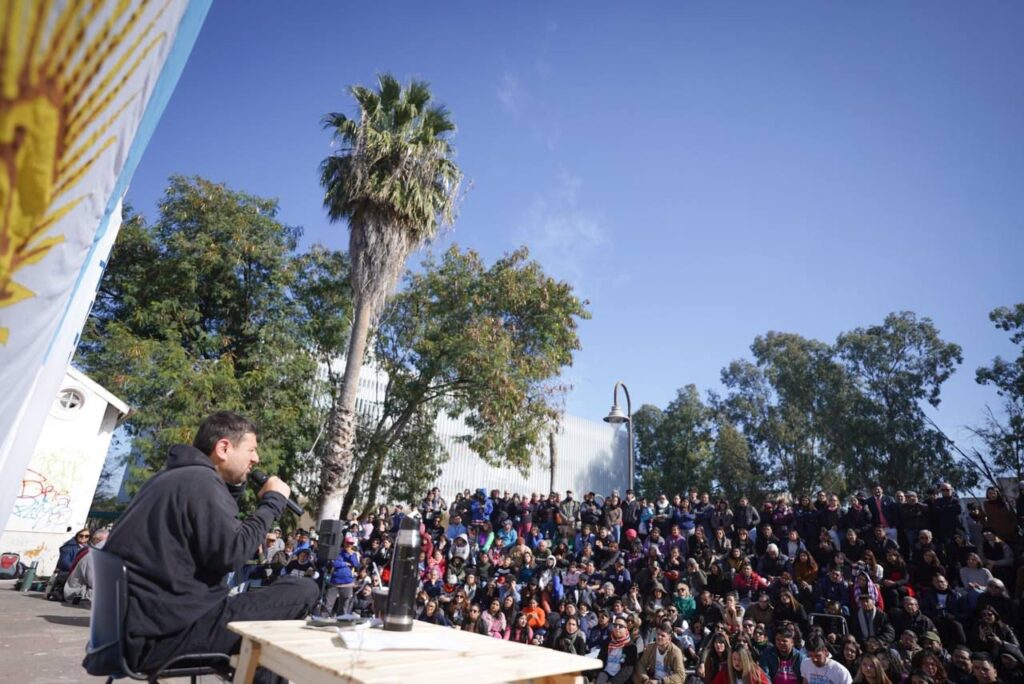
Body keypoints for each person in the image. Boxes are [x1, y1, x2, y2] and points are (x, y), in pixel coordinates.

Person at [86, 411, 318, 684]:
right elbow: (232, 554)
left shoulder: (177, 479)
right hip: (166, 636)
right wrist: (273, 502)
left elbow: (214, 544)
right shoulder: (201, 483)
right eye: (251, 450)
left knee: (263, 635)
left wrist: (236, 487)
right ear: (223, 448)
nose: (256, 459)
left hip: (132, 635)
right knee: (303, 590)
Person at [64, 528, 110, 604]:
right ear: (96, 540)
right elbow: (94, 582)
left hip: (82, 590)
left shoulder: (91, 551)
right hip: (78, 594)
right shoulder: (93, 556)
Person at [597, 616, 638, 684]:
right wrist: (596, 676)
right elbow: (600, 659)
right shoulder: (608, 642)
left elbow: (627, 670)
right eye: (615, 625)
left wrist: (611, 683)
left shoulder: (631, 647)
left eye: (621, 626)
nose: (617, 628)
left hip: (620, 677)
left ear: (626, 629)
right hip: (606, 672)